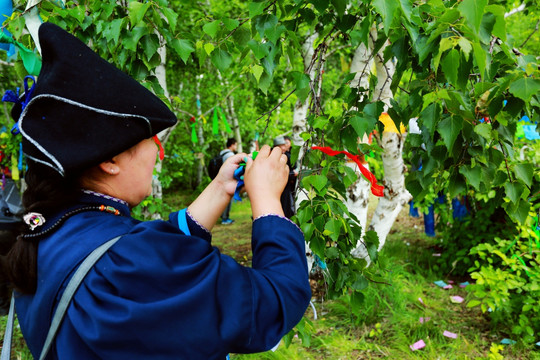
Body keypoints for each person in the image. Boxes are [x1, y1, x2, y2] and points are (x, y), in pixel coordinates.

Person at [0, 23, 310, 360]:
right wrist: (266, 202)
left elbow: (146, 251)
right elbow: (273, 302)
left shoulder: (48, 231)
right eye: (149, 138)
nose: (155, 151)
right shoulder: (128, 265)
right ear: (111, 160)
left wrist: (220, 188)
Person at [273, 136, 298, 218]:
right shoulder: (272, 157)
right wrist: (292, 173)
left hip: (286, 185)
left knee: (287, 205)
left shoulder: (286, 155)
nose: (285, 147)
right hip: (276, 186)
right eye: (282, 145)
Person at [220, 138, 237, 225]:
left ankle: (223, 217)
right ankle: (225, 218)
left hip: (220, 179)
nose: (236, 146)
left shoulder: (222, 153)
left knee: (221, 198)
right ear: (232, 144)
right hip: (227, 180)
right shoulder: (230, 155)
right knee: (227, 199)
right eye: (236, 144)